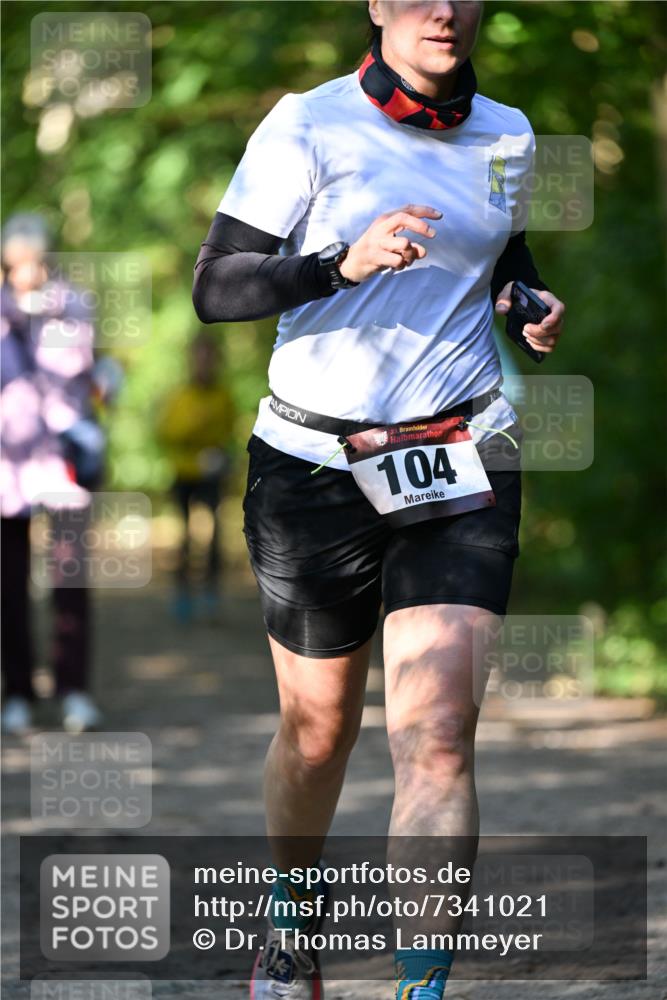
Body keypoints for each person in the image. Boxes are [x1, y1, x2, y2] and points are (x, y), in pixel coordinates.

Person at [193, 3, 565, 997]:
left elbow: (497, 255)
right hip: (313, 467)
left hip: (459, 452)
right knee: (319, 735)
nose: (442, 9)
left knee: (437, 735)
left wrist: (522, 300)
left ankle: (422, 983)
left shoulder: (512, 134)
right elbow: (216, 287)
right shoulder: (306, 123)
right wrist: (338, 263)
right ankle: (287, 932)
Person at [1, 213, 105, 736]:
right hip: (6, 465)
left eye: (33, 259)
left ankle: (74, 690)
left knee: (70, 582)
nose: (26, 271)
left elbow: (75, 368)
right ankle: (16, 692)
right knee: (8, 583)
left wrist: (43, 317)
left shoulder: (72, 303)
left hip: (62, 461)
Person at [156, 331, 235, 623]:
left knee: (214, 533)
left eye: (209, 358)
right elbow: (167, 432)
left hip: (212, 475)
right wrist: (194, 430)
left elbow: (227, 432)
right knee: (185, 534)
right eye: (199, 357)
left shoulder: (223, 396)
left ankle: (211, 593)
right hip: (184, 473)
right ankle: (182, 593)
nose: (204, 363)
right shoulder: (180, 396)